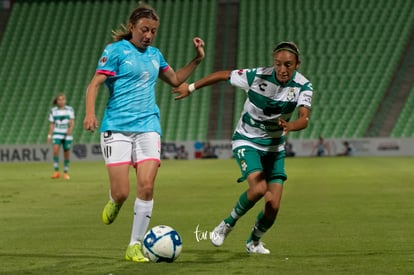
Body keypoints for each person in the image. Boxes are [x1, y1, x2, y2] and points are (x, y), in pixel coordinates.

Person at [83, 4, 204, 263]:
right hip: (117, 129)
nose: (148, 35)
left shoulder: (155, 55)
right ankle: (115, 200)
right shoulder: (115, 51)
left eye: (153, 31)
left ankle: (133, 245)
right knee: (122, 192)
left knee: (147, 186)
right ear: (132, 28)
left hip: (149, 126)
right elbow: (94, 84)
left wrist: (197, 59)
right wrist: (90, 113)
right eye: (144, 30)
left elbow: (175, 79)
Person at [173, 41, 313, 254]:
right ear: (273, 62)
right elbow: (223, 74)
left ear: (297, 64)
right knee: (258, 189)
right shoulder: (257, 76)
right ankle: (226, 224)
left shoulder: (303, 85)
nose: (283, 69)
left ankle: (254, 242)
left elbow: (304, 118)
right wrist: (191, 88)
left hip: (275, 148)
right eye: (278, 64)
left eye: (288, 65)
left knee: (273, 207)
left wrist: (290, 125)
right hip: (247, 139)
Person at [46, 93, 75, 180]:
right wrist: (49, 135)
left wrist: (70, 129)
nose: (61, 101)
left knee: (66, 153)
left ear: (65, 100)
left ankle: (65, 172)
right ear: (57, 101)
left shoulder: (70, 109)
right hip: (57, 133)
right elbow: (51, 124)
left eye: (63, 99)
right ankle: (56, 172)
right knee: (55, 151)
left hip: (67, 134)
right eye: (59, 99)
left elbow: (72, 121)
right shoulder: (53, 110)